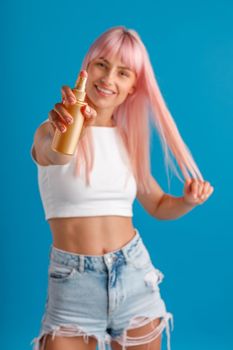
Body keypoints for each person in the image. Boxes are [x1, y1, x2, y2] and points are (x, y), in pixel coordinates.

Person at [30, 26, 214, 350]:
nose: (108, 78)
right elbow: (54, 153)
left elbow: (157, 205)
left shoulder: (128, 143)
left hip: (133, 275)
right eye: (101, 64)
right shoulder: (52, 128)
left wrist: (187, 201)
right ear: (86, 69)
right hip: (73, 282)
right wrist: (68, 129)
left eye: (123, 72)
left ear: (132, 88)